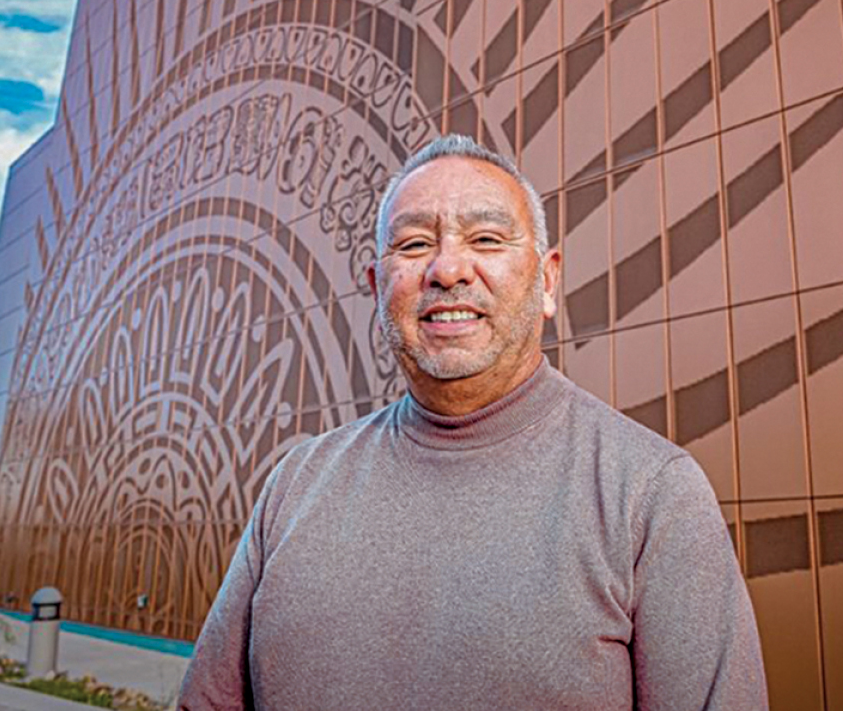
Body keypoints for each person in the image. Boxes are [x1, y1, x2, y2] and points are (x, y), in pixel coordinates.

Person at [178, 134, 768, 710]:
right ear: (378, 287)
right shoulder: (296, 485)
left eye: (486, 238)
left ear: (547, 280)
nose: (448, 268)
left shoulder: (651, 492)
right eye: (412, 245)